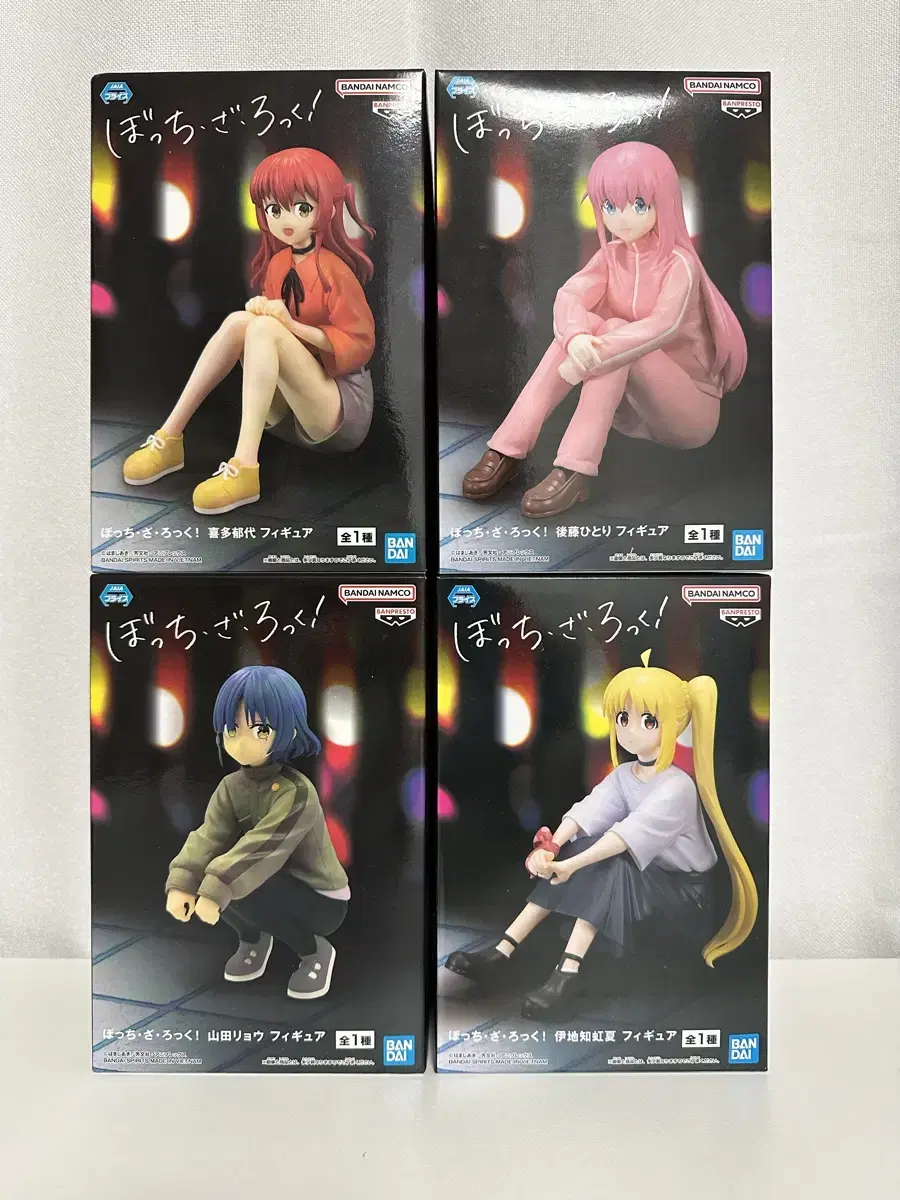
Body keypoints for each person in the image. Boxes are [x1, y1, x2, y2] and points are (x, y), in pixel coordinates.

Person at [445, 652, 758, 1019]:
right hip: (649, 880)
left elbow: (625, 838)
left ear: (674, 725)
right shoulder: (626, 775)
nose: (629, 729)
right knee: (585, 848)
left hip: (684, 897)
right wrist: (553, 847)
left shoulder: (678, 787)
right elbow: (589, 811)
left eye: (647, 720)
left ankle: (567, 972)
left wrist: (570, 865)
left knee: (611, 860)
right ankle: (503, 950)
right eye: (623, 718)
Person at [462, 142, 747, 518]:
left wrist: (589, 356)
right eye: (610, 207)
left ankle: (575, 468)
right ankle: (508, 448)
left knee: (613, 330)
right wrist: (577, 339)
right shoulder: (611, 257)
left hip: (686, 414)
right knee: (582, 330)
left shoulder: (680, 265)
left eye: (638, 204)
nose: (623, 218)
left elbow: (660, 327)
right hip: (629, 412)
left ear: (663, 200)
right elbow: (570, 295)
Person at [123, 147, 376, 514]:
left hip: (340, 409)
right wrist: (264, 314)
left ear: (328, 209)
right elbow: (273, 338)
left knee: (264, 330)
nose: (286, 219)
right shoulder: (279, 265)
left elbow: (359, 345)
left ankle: (244, 467)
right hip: (289, 409)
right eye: (274, 209)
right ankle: (170, 437)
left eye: (301, 207)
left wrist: (289, 326)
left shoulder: (337, 271)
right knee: (240, 322)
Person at [164, 665, 349, 999]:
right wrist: (182, 882)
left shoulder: (296, 791)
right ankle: (253, 940)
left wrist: (216, 888)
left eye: (261, 729)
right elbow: (209, 836)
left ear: (290, 730)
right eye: (232, 728)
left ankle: (314, 951)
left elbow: (265, 848)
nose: (242, 741)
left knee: (236, 880)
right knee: (224, 872)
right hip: (267, 880)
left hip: (320, 899)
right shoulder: (231, 786)